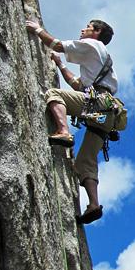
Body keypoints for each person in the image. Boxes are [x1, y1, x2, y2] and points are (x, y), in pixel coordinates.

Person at [26, 17, 117, 224]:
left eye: (88, 27)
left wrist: (37, 29)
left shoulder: (92, 45)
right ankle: (93, 204)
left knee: (54, 94)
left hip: (98, 104)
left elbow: (58, 44)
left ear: (96, 33)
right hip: (106, 115)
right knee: (86, 162)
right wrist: (60, 65)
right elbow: (77, 86)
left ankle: (64, 131)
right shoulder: (100, 59)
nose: (83, 29)